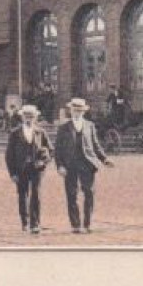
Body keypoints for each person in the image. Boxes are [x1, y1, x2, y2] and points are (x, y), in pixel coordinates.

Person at [54, 97, 112, 233]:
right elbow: (58, 150)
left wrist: (104, 159)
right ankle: (75, 224)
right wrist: (60, 166)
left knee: (89, 193)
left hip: (87, 163)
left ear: (83, 112)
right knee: (71, 194)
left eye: (80, 110)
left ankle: (87, 223)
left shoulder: (89, 125)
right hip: (70, 164)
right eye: (75, 110)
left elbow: (95, 145)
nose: (77, 112)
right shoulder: (64, 128)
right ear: (71, 111)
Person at [5, 104, 52, 235]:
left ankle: (35, 223)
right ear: (22, 117)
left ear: (35, 117)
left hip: (36, 169)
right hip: (21, 169)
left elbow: (51, 150)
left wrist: (43, 161)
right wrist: (12, 173)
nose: (29, 118)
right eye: (26, 116)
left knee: (36, 194)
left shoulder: (40, 132)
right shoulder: (15, 133)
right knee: (22, 195)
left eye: (31, 116)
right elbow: (9, 155)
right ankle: (25, 222)